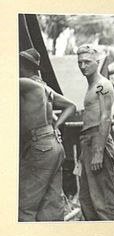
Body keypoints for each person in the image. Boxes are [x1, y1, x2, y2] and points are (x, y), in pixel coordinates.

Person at [19, 48, 76, 221]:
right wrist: (56, 127)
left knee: (25, 204)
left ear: (23, 66)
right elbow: (71, 106)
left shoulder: (26, 84)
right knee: (51, 203)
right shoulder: (44, 88)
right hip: (53, 144)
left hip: (40, 146)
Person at [77, 44, 114, 220]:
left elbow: (105, 118)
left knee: (103, 200)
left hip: (98, 141)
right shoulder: (91, 86)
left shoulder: (103, 84)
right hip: (87, 141)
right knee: (86, 200)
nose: (82, 66)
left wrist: (98, 152)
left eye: (87, 61)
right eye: (79, 62)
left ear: (97, 61)